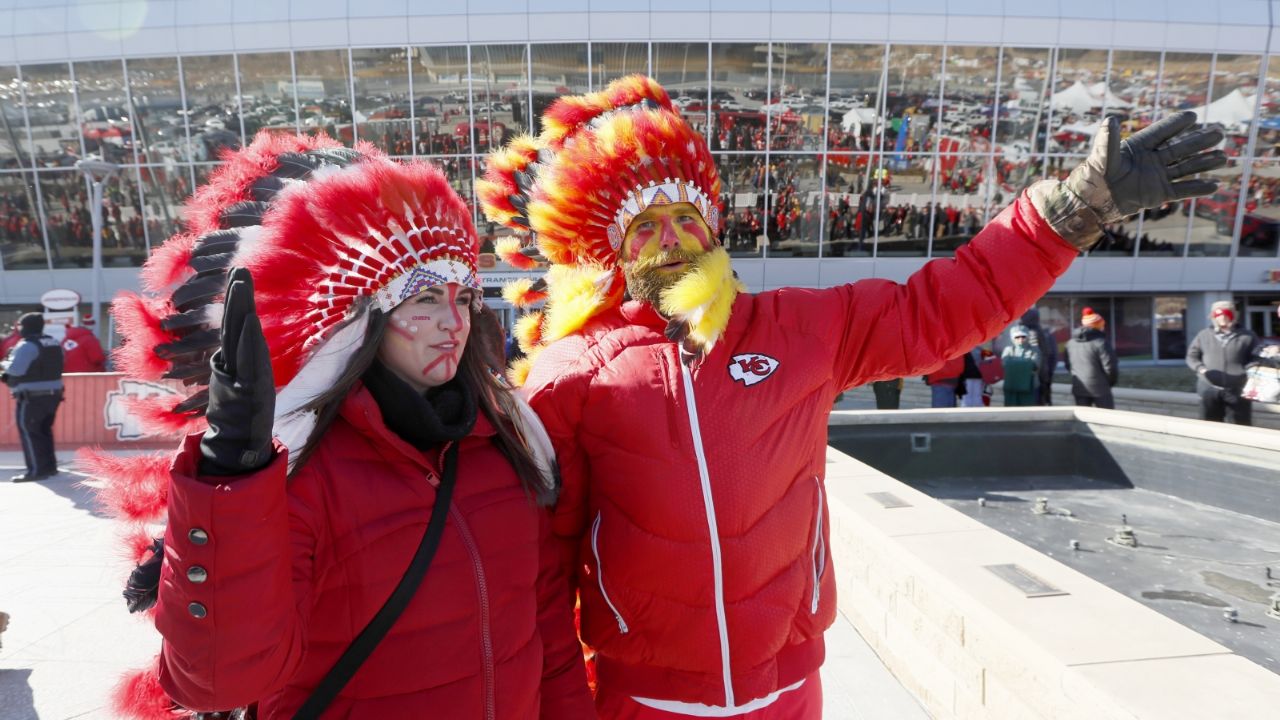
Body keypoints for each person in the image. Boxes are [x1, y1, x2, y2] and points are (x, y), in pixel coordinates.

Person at [477, 75, 1224, 718]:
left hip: (789, 689)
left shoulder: (799, 327)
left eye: (684, 218)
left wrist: (1071, 212)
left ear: (712, 227)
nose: (670, 238)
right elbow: (541, 575)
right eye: (643, 228)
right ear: (609, 249)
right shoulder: (568, 375)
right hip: (641, 700)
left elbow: (946, 305)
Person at [94, 136, 594, 719]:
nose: (452, 323)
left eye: (464, 299)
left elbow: (550, 641)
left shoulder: (505, 449)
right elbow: (216, 682)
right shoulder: (301, 473)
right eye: (425, 299)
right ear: (364, 317)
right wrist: (230, 480)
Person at [1, 312, 64, 482]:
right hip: (54, 395)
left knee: (30, 433)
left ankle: (36, 471)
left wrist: (4, 363)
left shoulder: (27, 345)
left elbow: (15, 369)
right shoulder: (53, 342)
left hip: (32, 397)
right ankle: (50, 468)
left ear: (26, 327)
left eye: (20, 326)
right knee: (44, 432)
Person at [1186, 300, 1261, 424]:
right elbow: (1191, 356)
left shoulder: (1248, 336)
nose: (1222, 318)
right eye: (1218, 315)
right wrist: (1202, 370)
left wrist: (1247, 370)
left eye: (1226, 314)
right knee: (1209, 426)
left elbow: (1257, 358)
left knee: (1240, 427)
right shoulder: (1203, 335)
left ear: (1233, 315)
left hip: (1238, 389)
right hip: (1209, 388)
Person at [1064, 307, 1119, 409]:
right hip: (1101, 389)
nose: (1103, 327)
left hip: (1079, 387)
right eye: (1102, 325)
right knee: (1107, 419)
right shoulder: (1101, 343)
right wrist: (1109, 383)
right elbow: (1110, 367)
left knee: (1083, 421)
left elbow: (1068, 365)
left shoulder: (1070, 343)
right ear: (1098, 326)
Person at [1019, 307, 1058, 404]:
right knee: (1042, 396)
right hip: (1044, 370)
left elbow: (1035, 353)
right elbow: (1050, 353)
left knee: (1035, 398)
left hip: (1036, 371)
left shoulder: (1030, 332)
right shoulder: (1040, 331)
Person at [1001, 326, 1041, 407]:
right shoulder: (1008, 350)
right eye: (1017, 337)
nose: (1020, 339)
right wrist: (1026, 363)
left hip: (1030, 386)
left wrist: (1013, 362)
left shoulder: (1034, 350)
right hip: (1011, 387)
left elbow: (1035, 365)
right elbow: (1004, 363)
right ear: (1012, 338)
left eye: (1023, 337)